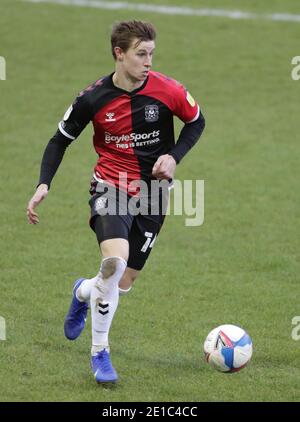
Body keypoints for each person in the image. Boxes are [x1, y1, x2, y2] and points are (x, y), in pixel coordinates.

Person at [27, 20, 205, 384]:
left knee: (122, 281)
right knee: (113, 261)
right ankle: (100, 353)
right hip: (111, 187)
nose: (148, 61)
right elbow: (59, 141)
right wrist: (44, 183)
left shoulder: (168, 90)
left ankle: (81, 291)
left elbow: (197, 122)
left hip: (154, 194)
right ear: (119, 54)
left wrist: (173, 157)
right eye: (141, 54)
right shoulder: (92, 98)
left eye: (152, 53)